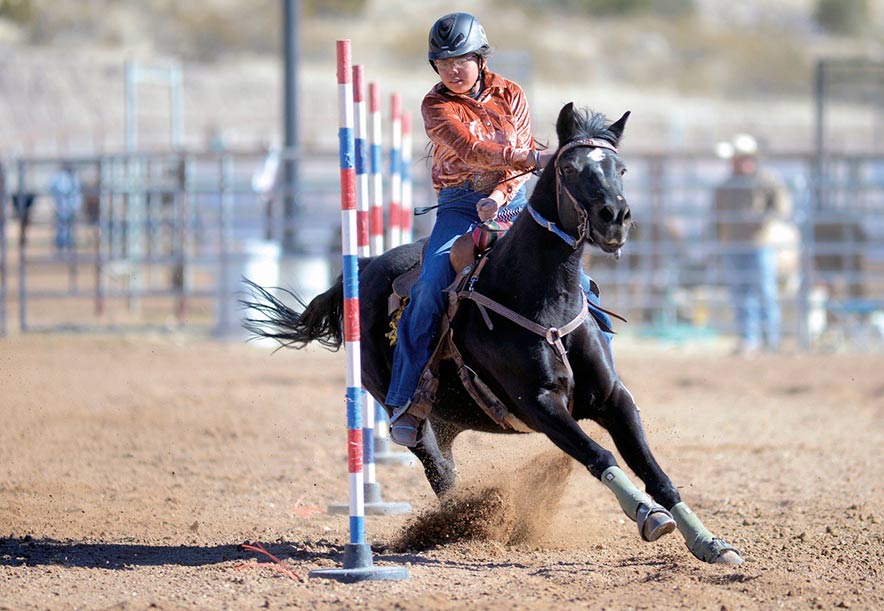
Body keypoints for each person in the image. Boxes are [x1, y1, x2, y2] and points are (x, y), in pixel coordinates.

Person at [386, 12, 609, 447]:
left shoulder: (512, 93)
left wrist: (505, 196)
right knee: (432, 283)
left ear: (479, 57)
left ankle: (606, 382)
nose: (452, 69)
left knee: (581, 282)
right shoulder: (436, 105)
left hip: (516, 201)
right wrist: (531, 163)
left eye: (460, 59)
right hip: (459, 205)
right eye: (443, 62)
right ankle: (406, 398)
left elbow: (518, 151)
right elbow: (471, 149)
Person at [713, 133, 794, 355]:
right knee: (741, 294)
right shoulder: (726, 185)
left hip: (760, 244)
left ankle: (771, 339)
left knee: (764, 291)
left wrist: (764, 220)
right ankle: (749, 339)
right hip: (733, 245)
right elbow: (717, 216)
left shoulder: (766, 180)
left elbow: (782, 207)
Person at [49, 163, 82, 253]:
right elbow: (53, 191)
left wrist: (76, 206)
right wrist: (55, 205)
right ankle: (61, 246)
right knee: (61, 226)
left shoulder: (74, 177)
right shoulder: (59, 177)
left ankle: (68, 245)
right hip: (61, 207)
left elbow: (77, 193)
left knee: (69, 227)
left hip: (70, 207)